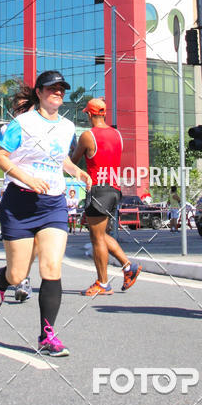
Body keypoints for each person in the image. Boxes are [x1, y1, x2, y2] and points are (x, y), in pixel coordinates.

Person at [0, 70, 92, 356]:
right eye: (52, 88)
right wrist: (28, 179)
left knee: (51, 268)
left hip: (52, 204)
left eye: (61, 89)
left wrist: (77, 171)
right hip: (20, 204)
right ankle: (2, 280)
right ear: (39, 92)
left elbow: (59, 161)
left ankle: (47, 336)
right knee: (18, 272)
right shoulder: (22, 123)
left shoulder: (69, 126)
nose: (57, 92)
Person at [70, 97, 141, 296]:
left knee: (96, 238)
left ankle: (103, 283)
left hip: (98, 189)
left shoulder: (87, 135)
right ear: (103, 113)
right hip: (114, 189)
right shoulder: (117, 134)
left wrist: (71, 150)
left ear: (89, 114)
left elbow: (73, 161)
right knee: (101, 235)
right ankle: (128, 267)